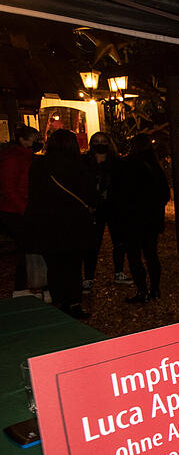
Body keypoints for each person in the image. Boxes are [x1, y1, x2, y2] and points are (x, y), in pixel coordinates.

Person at [26, 129, 98, 319]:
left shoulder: (39, 166)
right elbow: (90, 194)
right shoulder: (79, 165)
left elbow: (33, 196)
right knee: (73, 267)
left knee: (55, 267)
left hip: (47, 224)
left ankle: (60, 303)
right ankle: (74, 303)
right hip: (74, 224)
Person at [113, 134, 171, 303]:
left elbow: (120, 195)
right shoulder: (155, 167)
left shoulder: (127, 165)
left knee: (134, 256)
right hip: (151, 219)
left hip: (132, 220)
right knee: (151, 254)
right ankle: (155, 289)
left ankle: (142, 291)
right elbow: (165, 194)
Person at [81, 131, 131, 290]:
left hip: (114, 207)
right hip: (93, 208)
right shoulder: (85, 162)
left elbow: (123, 185)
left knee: (119, 241)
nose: (100, 144)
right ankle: (88, 277)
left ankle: (119, 272)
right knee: (92, 243)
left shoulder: (117, 163)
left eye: (103, 141)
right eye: (96, 141)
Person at [0, 124, 40, 297]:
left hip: (18, 207)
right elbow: (8, 188)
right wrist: (23, 208)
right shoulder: (13, 159)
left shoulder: (24, 156)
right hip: (13, 210)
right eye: (34, 139)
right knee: (26, 246)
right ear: (23, 140)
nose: (37, 142)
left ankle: (24, 286)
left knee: (27, 247)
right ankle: (20, 287)